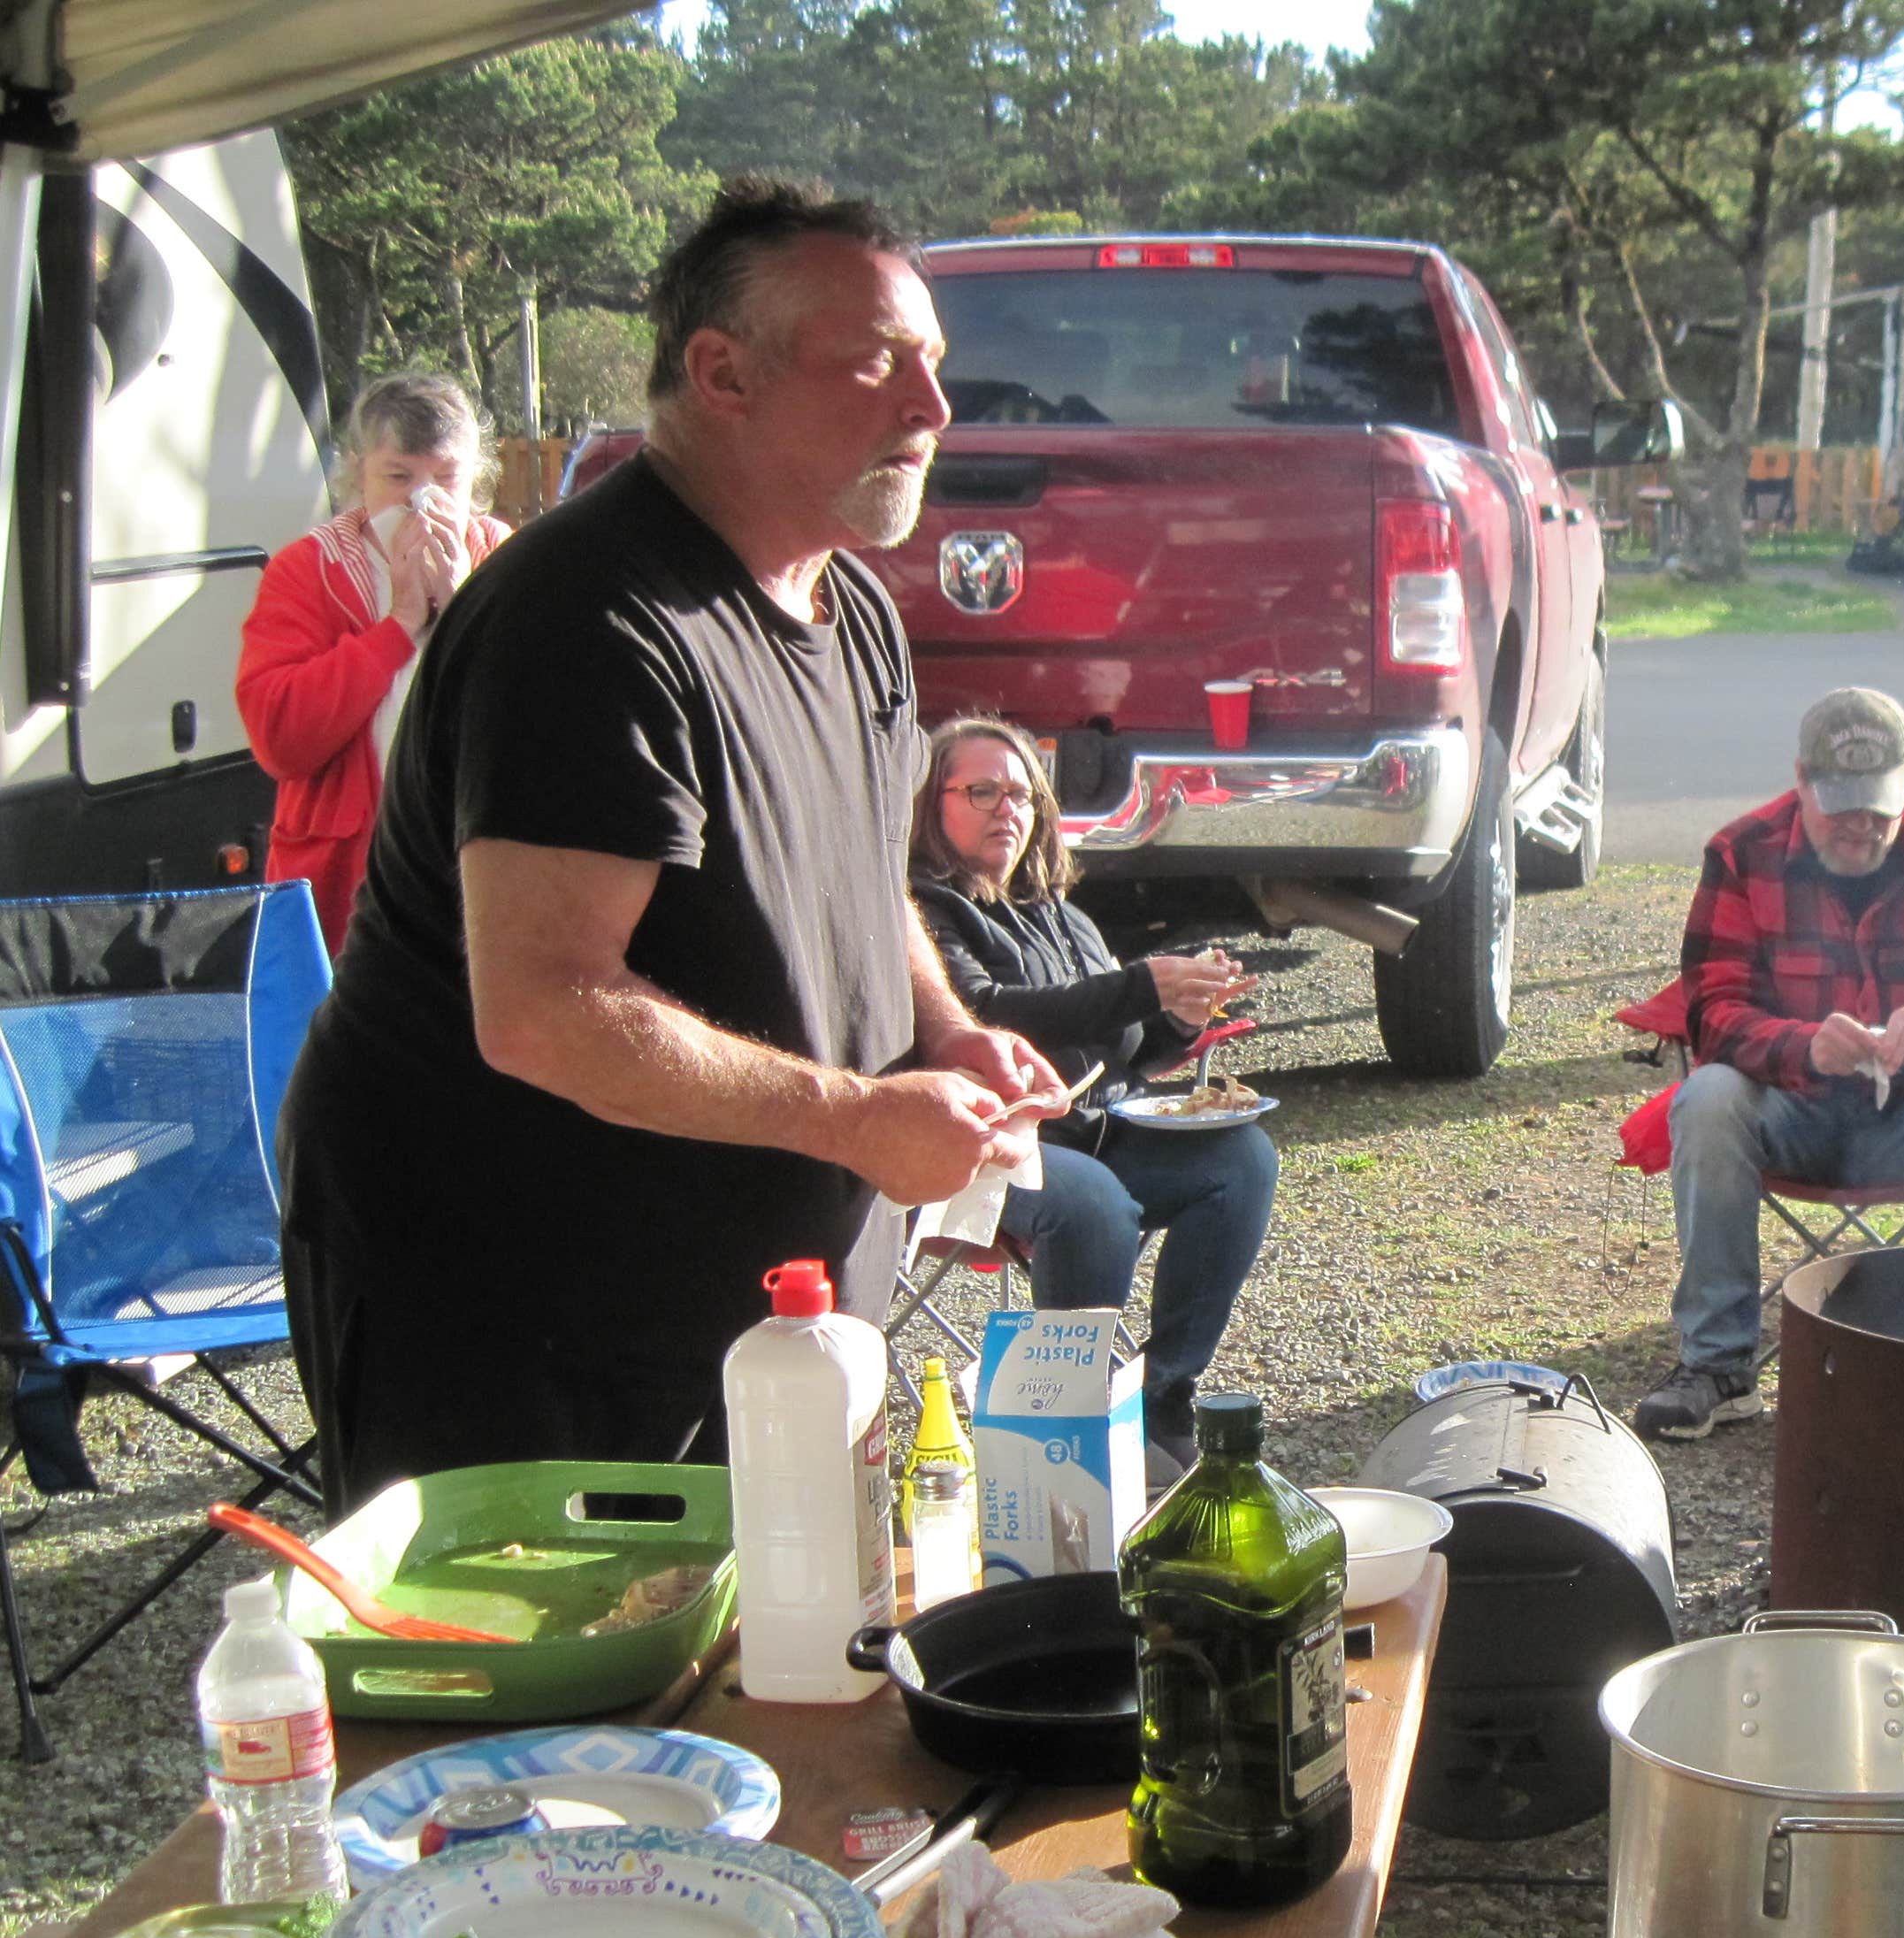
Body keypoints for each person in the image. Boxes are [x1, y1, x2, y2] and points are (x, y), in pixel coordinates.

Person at [277, 179, 1053, 1510]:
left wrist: (939, 1029)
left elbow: (864, 878)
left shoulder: (850, 609)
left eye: (933, 366)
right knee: (554, 1706)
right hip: (521, 1314)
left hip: (756, 1321)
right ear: (721, 373)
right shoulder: (586, 620)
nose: (929, 410)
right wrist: (859, 1116)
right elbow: (543, 1007)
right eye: (876, 364)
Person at [1637, 686, 1904, 1443]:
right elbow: (1712, 1011)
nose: (1860, 829)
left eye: (1878, 809)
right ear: (1799, 779)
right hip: (1789, 1111)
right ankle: (1718, 1366)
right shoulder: (1741, 853)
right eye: (1840, 807)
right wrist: (1800, 1044)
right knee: (1710, 1094)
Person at [909, 714, 1275, 1472]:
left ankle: (1160, 1394)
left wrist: (1173, 1019)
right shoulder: (925, 911)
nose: (1006, 808)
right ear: (931, 803)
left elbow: (1123, 1057)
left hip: (1093, 1132)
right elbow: (990, 1013)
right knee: (1095, 1204)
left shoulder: (1065, 916)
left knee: (1240, 1158)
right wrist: (1138, 984)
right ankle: (1076, 1433)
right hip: (983, 1144)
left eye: (1020, 795)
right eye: (981, 790)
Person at [235, 374, 513, 950]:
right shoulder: (308, 570)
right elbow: (280, 736)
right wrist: (397, 626)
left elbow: (542, 718)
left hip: (478, 881)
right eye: (399, 477)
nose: (424, 500)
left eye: (445, 479)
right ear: (358, 475)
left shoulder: (506, 559)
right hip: (344, 893)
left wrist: (462, 607)